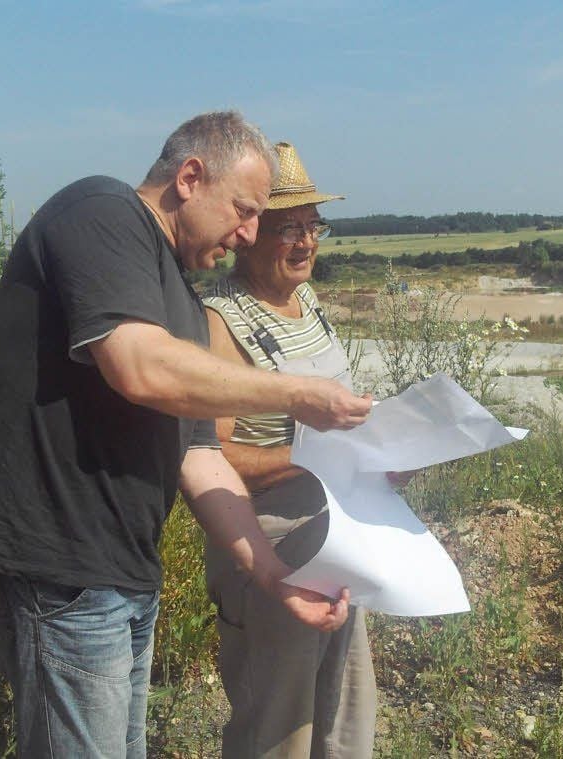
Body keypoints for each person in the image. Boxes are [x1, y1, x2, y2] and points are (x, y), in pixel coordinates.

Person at [0, 112, 372, 758]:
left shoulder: (183, 305)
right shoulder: (101, 213)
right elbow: (136, 365)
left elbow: (202, 458)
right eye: (245, 210)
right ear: (191, 177)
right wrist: (295, 393)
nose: (249, 232)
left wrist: (275, 574)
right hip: (57, 568)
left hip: (120, 577)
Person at [203, 142, 377, 758]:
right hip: (268, 539)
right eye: (287, 229)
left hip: (339, 533)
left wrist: (381, 456)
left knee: (344, 713)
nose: (305, 243)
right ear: (248, 233)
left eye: (312, 227)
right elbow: (213, 450)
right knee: (278, 727)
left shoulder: (310, 306)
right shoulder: (220, 319)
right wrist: (311, 461)